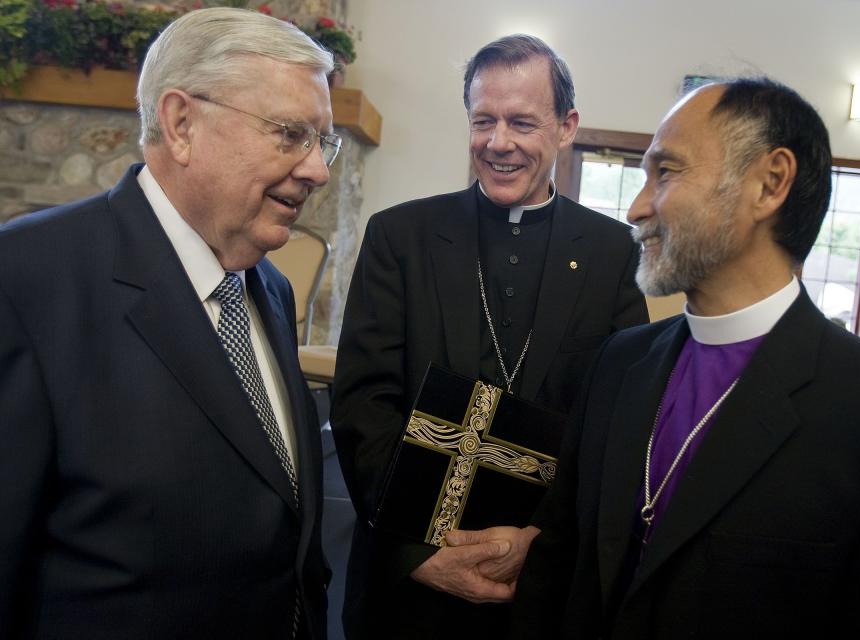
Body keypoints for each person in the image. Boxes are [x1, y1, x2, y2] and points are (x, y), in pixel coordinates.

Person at [512, 78, 860, 638]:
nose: (636, 206)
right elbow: (561, 568)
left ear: (769, 184)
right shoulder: (617, 365)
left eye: (667, 172)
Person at [0, 8, 338, 639]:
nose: (318, 169)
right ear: (182, 123)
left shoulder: (268, 286)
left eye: (324, 141)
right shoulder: (27, 277)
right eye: (290, 134)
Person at [331, 34, 649, 639]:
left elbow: (617, 420)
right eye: (484, 121)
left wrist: (541, 540)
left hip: (539, 588)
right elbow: (361, 404)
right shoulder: (401, 236)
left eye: (522, 122)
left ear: (565, 126)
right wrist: (418, 553)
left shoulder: (610, 254)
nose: (498, 143)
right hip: (409, 585)